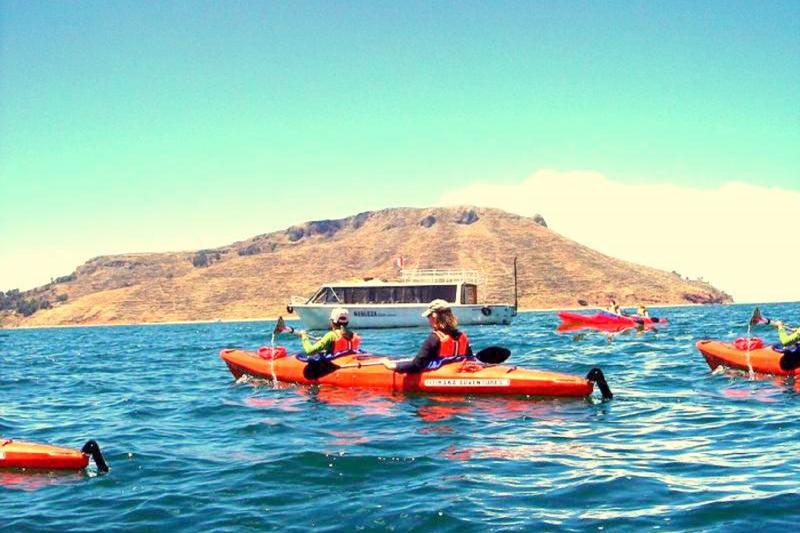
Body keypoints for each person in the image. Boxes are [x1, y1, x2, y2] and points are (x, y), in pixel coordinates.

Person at [384, 299, 473, 372]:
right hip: (458, 372)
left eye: (428, 317)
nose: (428, 320)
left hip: (440, 375)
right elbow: (470, 360)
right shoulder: (463, 336)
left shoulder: (434, 338)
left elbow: (416, 365)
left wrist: (393, 366)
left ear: (434, 317)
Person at [297, 307, 361, 357]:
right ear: (347, 322)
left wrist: (304, 336)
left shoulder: (331, 335)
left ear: (332, 322)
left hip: (335, 366)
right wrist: (324, 342)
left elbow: (309, 351)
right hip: (348, 362)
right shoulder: (355, 336)